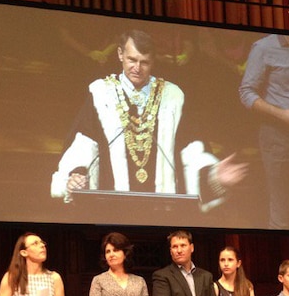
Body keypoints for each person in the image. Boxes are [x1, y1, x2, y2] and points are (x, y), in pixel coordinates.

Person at [50, 29, 245, 211]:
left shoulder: (172, 96)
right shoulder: (102, 93)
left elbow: (191, 148)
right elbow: (84, 143)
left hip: (161, 208)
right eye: (132, 60)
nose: (137, 68)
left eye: (144, 62)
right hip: (112, 208)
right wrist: (76, 174)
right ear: (120, 55)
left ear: (153, 61)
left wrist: (214, 176)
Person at [238, 34, 289, 229]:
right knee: (281, 208)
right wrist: (282, 115)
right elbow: (246, 92)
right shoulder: (264, 47)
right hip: (277, 135)